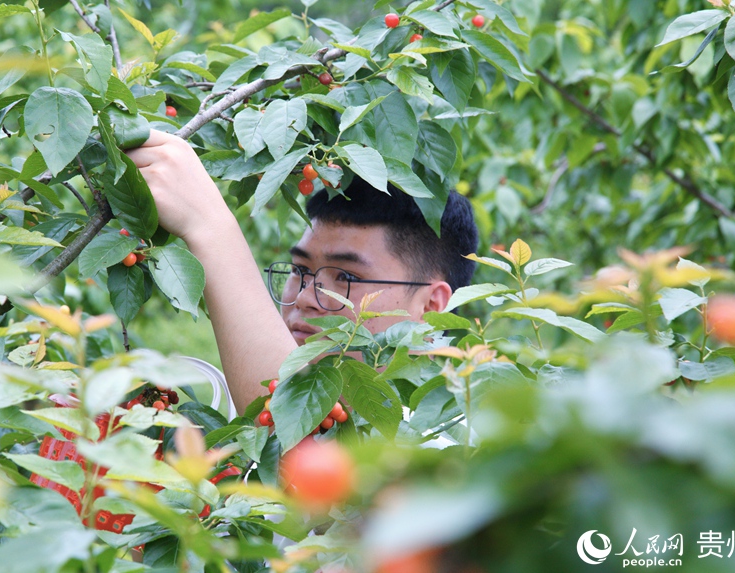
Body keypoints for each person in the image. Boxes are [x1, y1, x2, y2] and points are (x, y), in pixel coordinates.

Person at [126, 130, 478, 412]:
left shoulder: (445, 441)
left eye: (347, 278)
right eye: (300, 271)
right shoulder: (232, 423)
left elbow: (299, 438)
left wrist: (210, 225)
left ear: (431, 307)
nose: (306, 297)